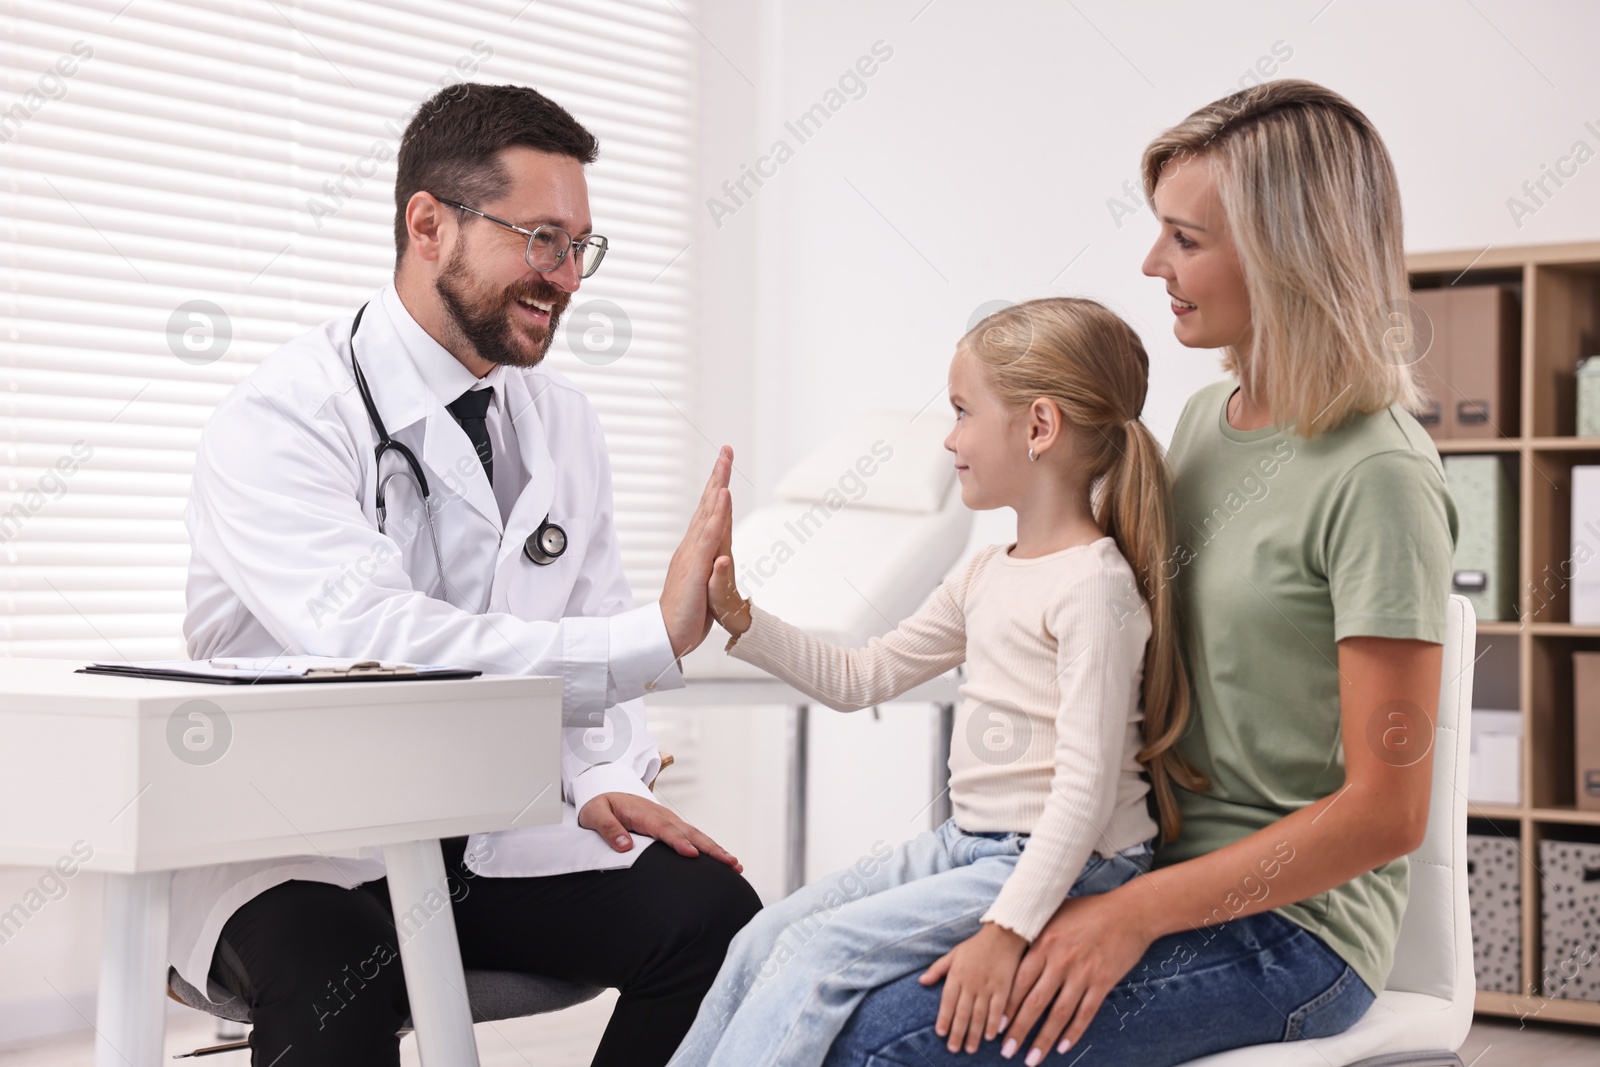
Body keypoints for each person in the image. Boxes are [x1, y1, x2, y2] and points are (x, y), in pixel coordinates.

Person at [822, 79, 1459, 1066]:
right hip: (1136, 865)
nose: (1152, 262)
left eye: (1186, 239)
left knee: (883, 1041)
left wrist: (1131, 913)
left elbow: (1386, 811)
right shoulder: (1207, 423)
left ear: (1289, 250)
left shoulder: (1378, 475)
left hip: (1291, 933)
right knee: (810, 976)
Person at [178, 82, 761, 1067]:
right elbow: (376, 642)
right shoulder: (283, 418)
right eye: (542, 239)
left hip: (489, 835)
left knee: (714, 914)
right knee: (332, 978)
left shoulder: (561, 418)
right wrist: (648, 640)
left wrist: (597, 780)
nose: (568, 276)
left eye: (580, 245)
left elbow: (586, 623)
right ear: (429, 225)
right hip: (313, 848)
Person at [666, 296, 1204, 1067]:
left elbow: (1083, 797)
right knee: (763, 937)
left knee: (817, 958)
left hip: (1072, 857)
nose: (949, 439)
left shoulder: (1093, 586)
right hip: (970, 844)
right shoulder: (988, 571)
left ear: (1039, 427)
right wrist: (742, 618)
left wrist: (1006, 928)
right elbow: (864, 674)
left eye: (961, 412)